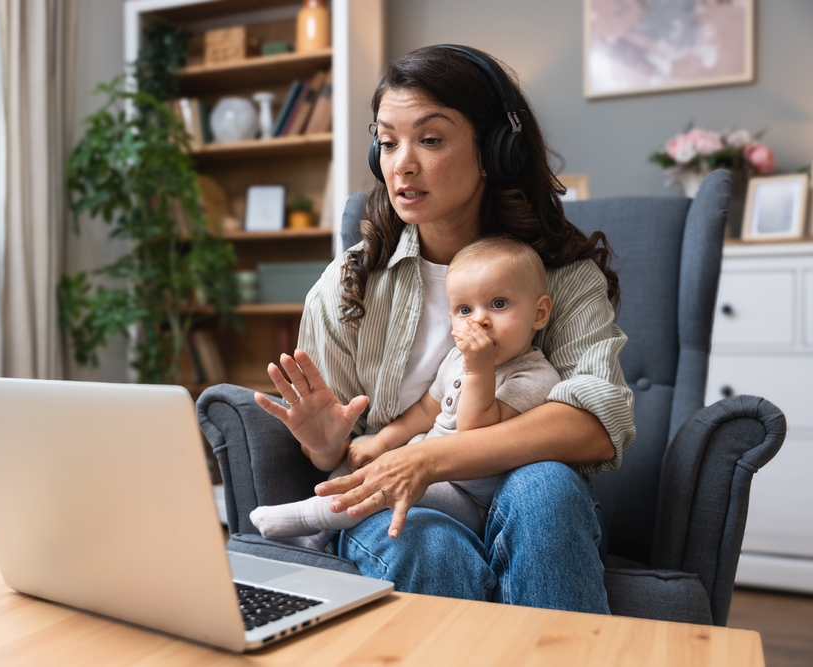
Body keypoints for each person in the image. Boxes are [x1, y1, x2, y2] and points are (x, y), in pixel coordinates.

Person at [253, 44, 635, 614]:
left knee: (547, 488)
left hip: (518, 494)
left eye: (430, 140)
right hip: (398, 507)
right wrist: (325, 439)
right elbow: (339, 455)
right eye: (387, 142)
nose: (402, 163)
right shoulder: (346, 284)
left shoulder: (562, 275)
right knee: (420, 538)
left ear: (493, 152)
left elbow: (597, 424)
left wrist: (432, 458)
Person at [250, 237, 561, 545]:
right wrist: (382, 442)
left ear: (539, 313)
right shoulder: (456, 358)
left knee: (385, 486)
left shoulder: (535, 376)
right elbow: (427, 410)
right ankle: (320, 536)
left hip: (471, 495)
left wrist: (478, 370)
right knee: (363, 449)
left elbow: (475, 434)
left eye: (498, 304)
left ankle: (307, 519)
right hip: (426, 463)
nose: (479, 320)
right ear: (451, 319)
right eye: (465, 309)